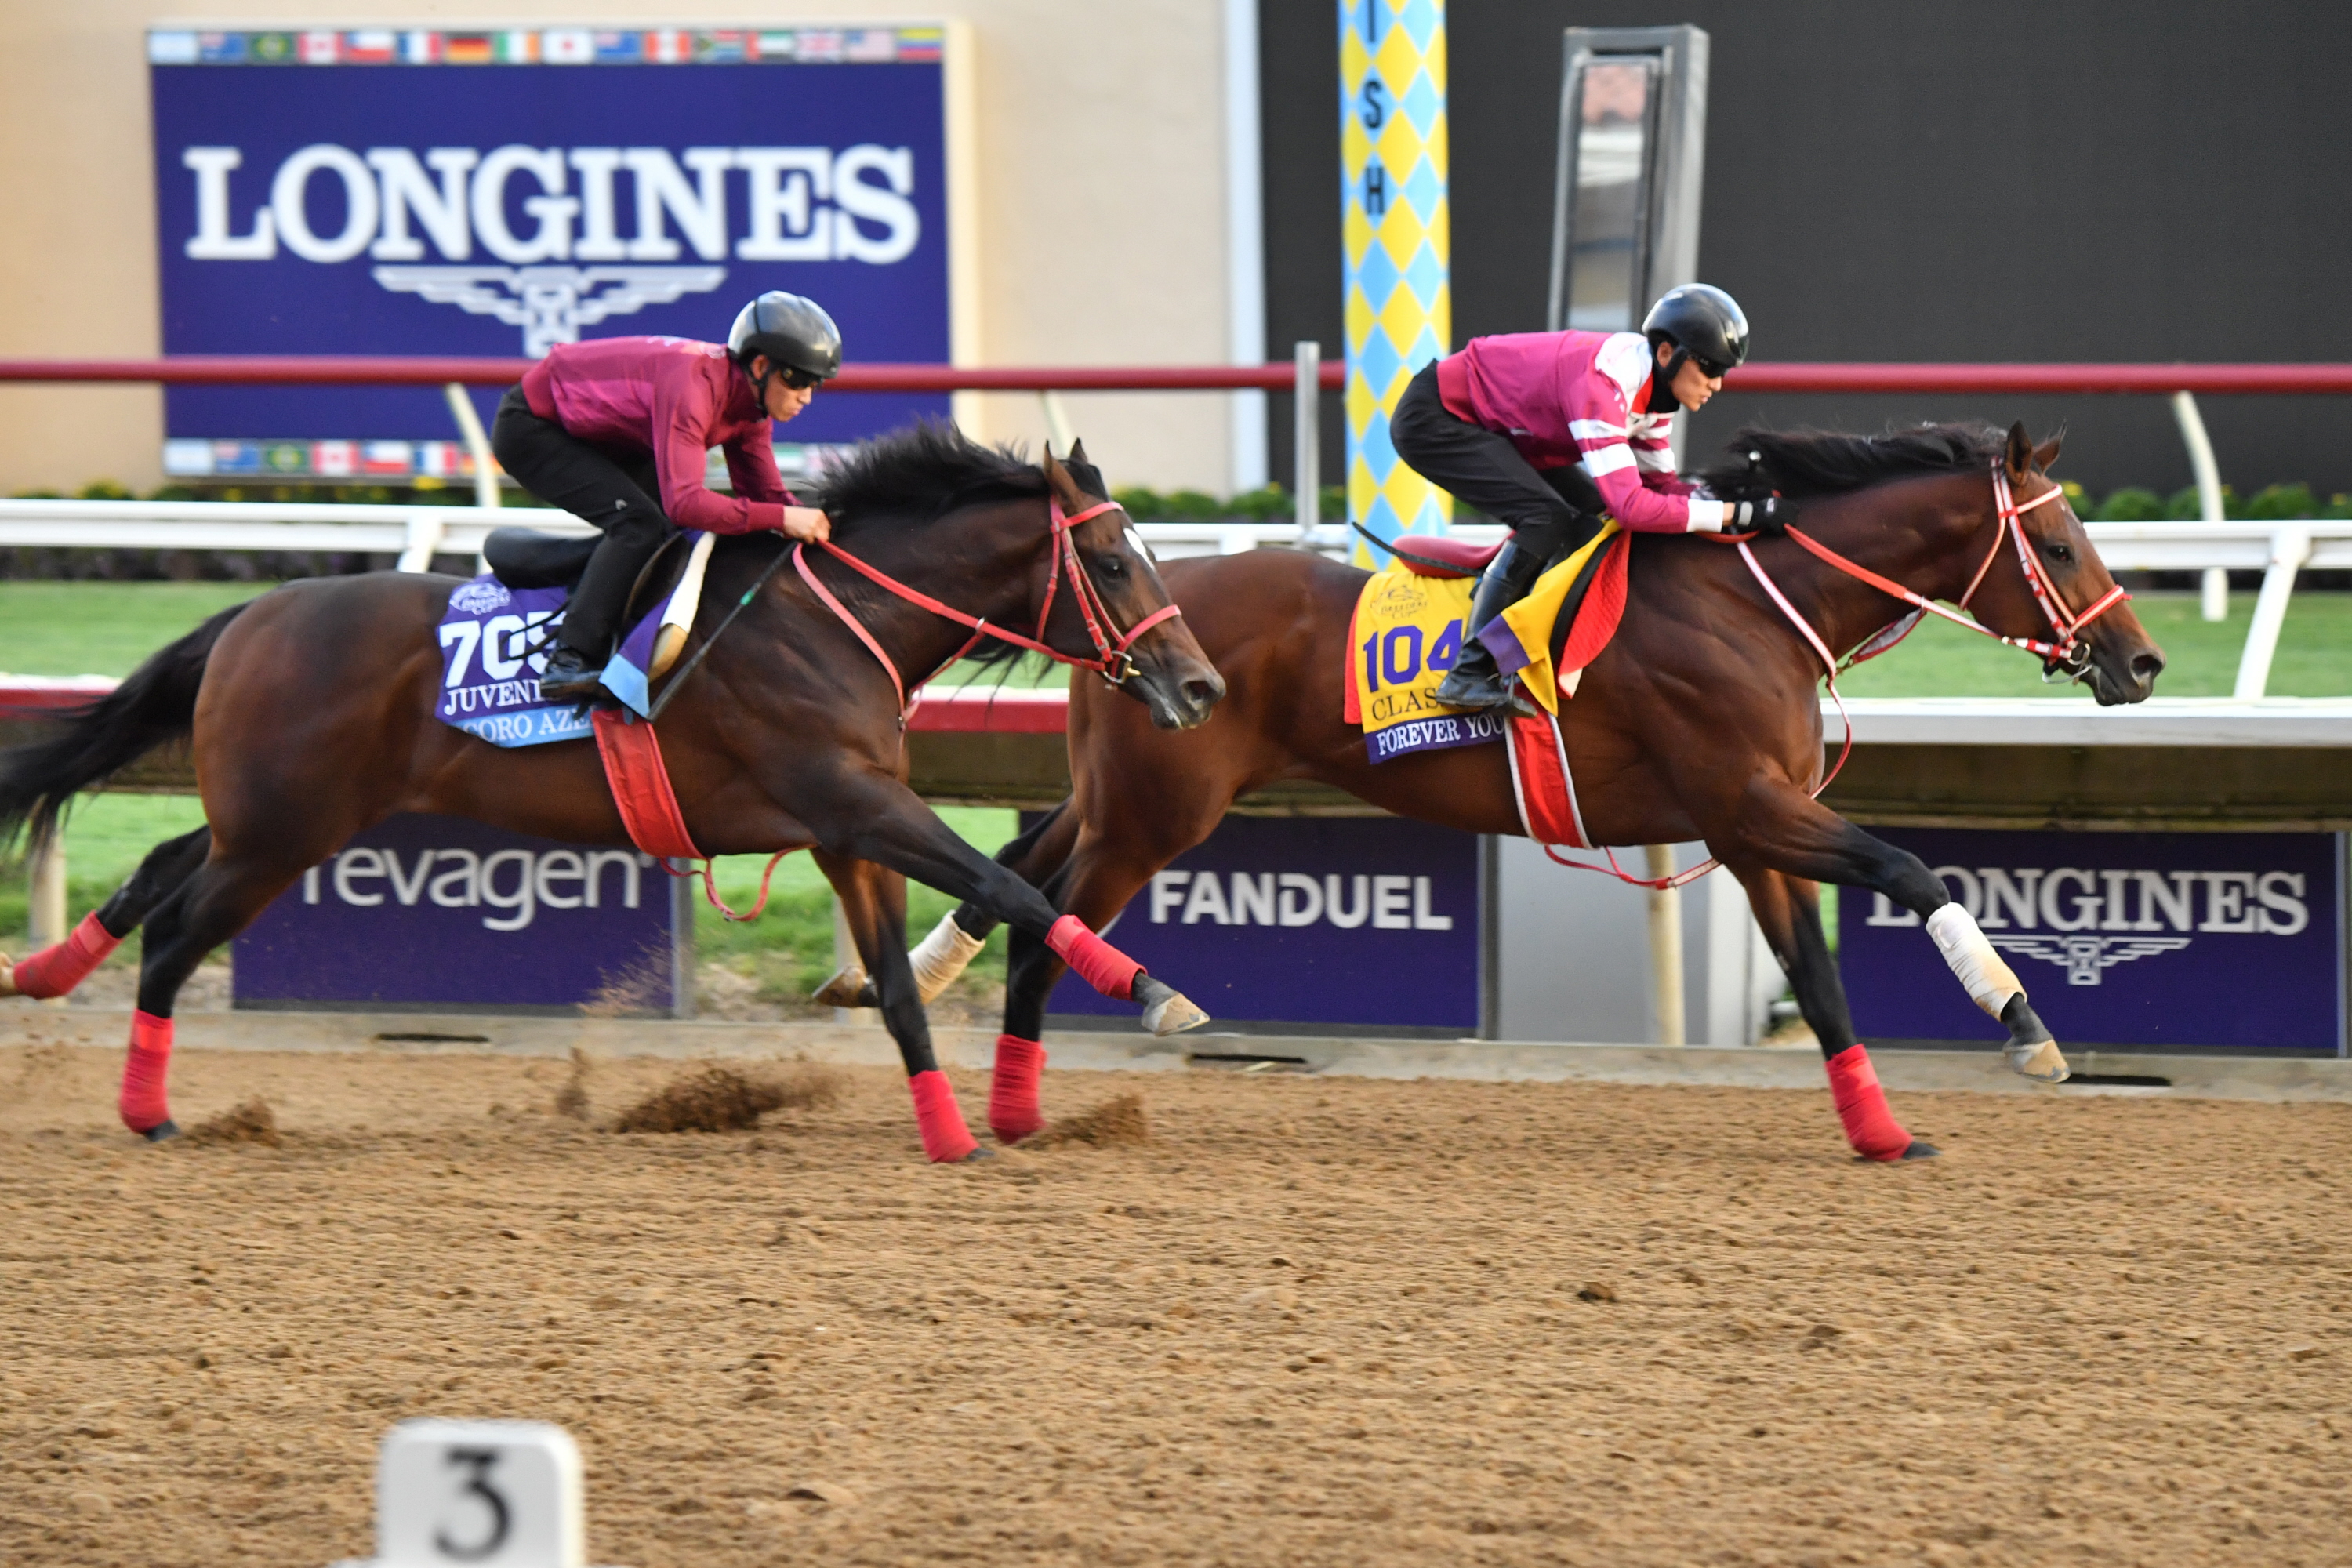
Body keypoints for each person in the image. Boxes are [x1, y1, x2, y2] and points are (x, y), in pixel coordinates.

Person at [1390, 283, 1797, 718]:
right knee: (1546, 519)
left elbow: (1662, 487)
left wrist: (1736, 499)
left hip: (1505, 427)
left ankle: (1536, 642)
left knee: (1589, 516)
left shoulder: (1655, 398)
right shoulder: (1604, 386)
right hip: (1439, 417)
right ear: (1667, 355)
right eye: (1710, 368)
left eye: (1724, 372)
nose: (1716, 385)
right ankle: (1470, 672)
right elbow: (1633, 508)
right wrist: (1732, 514)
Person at [488, 292, 842, 704]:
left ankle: (566, 575)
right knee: (641, 525)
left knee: (666, 530)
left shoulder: (752, 409)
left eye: (816, 384)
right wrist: (783, 518)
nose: (807, 396)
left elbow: (766, 497)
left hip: (602, 435)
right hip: (533, 427)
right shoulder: (695, 388)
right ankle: (570, 656)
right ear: (761, 366)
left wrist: (817, 525)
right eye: (798, 380)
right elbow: (688, 502)